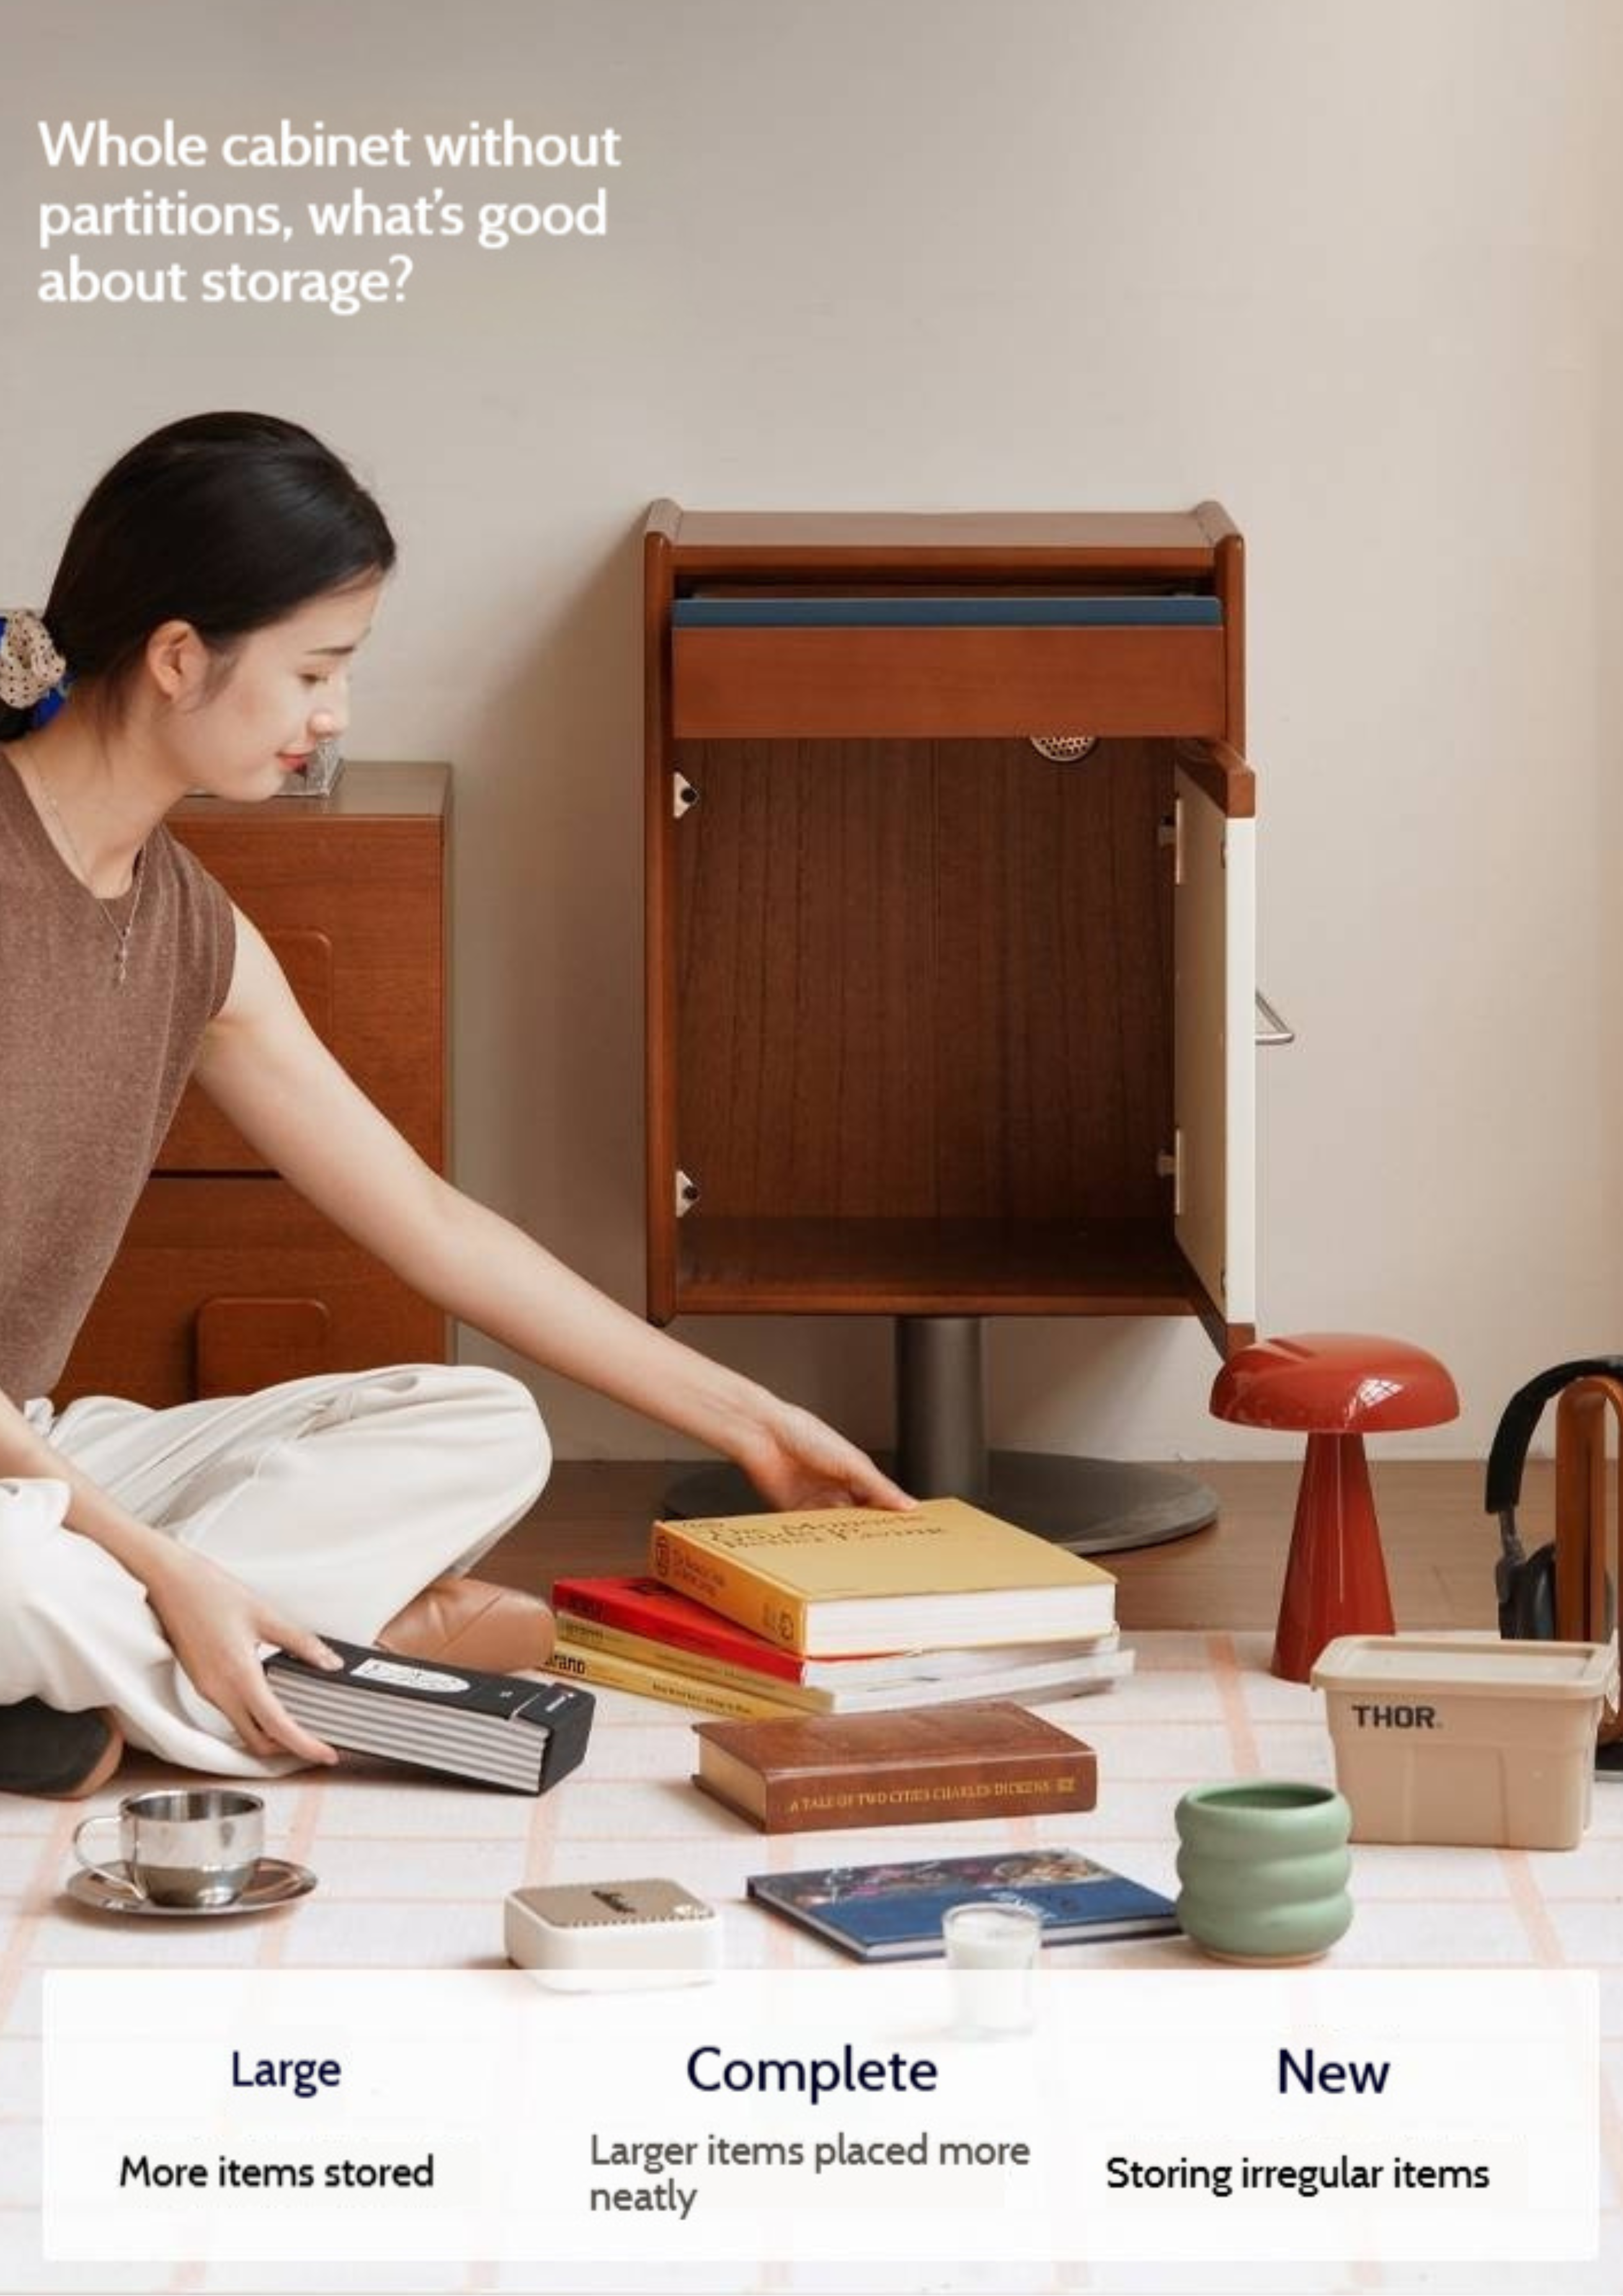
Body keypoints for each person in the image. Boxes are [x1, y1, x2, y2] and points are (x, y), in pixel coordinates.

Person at [0, 411, 908, 1799]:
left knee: (479, 1421)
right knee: (26, 1573)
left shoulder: (194, 930)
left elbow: (428, 1219)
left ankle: (120, 1681)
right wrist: (162, 1561)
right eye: (316, 668)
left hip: (32, 1455)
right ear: (182, 657)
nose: (336, 714)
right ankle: (256, 1659)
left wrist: (752, 1423)